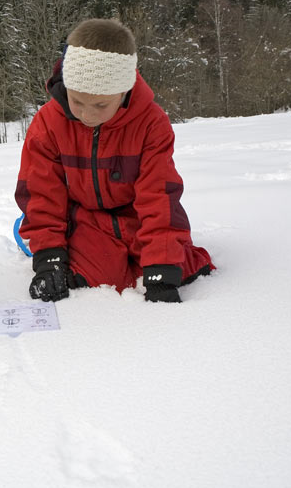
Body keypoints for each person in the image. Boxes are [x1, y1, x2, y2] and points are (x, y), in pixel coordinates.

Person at [15, 18, 214, 304]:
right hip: (83, 216)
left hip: (133, 215)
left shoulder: (151, 123)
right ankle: (33, 233)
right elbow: (41, 192)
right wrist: (49, 257)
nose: (87, 115)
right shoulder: (48, 122)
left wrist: (161, 269)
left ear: (123, 92)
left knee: (174, 267)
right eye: (77, 101)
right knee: (101, 275)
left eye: (100, 105)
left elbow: (158, 196)